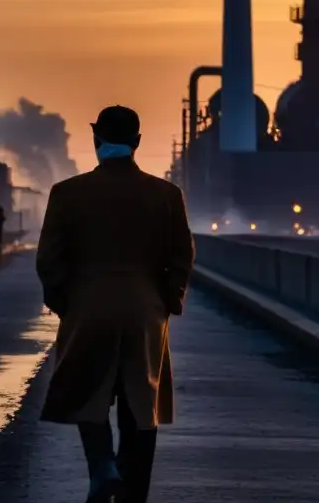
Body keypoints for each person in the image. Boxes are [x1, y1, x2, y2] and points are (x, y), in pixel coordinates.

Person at [36, 105, 195, 503]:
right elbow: (182, 255)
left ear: (96, 140)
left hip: (87, 308)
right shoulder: (167, 195)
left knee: (87, 395)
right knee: (141, 405)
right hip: (145, 312)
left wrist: (63, 302)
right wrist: (168, 301)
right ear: (137, 142)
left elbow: (49, 259)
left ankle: (103, 467)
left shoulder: (67, 193)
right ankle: (132, 488)